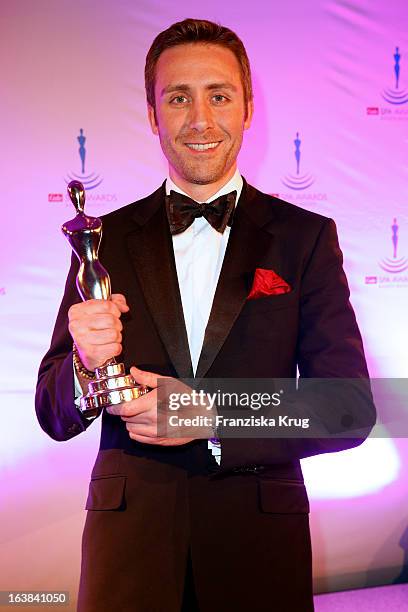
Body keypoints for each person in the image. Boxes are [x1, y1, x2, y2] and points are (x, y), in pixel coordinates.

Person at [35, 18, 376, 612]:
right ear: (152, 115)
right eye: (178, 98)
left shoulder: (305, 238)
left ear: (247, 109)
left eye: (219, 96)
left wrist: (213, 412)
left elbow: (348, 407)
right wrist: (86, 370)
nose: (200, 119)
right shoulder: (103, 238)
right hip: (130, 553)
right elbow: (51, 410)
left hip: (258, 547)